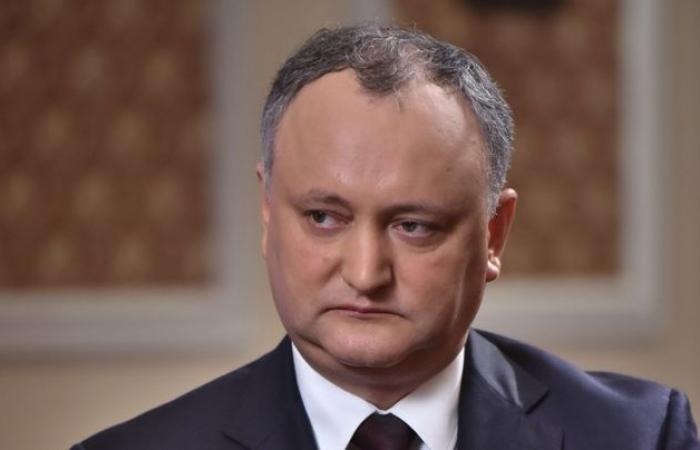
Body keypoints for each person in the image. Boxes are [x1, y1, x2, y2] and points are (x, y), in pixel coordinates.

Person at [72, 24, 699, 450]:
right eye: (324, 217)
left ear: (494, 234)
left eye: (413, 226)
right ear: (267, 213)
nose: (366, 273)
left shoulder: (640, 437)